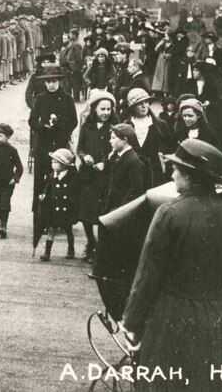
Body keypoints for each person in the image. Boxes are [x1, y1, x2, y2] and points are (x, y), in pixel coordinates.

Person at [122, 139, 222, 391]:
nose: (173, 172)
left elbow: (148, 274)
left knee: (164, 382)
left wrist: (132, 322)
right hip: (215, 317)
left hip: (171, 316)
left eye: (177, 167)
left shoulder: (169, 212)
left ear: (189, 175)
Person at [94, 124, 145, 321]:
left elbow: (135, 190)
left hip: (121, 215)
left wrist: (120, 211)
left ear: (124, 139)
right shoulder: (120, 157)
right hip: (113, 210)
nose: (110, 141)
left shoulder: (133, 162)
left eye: (114, 138)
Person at [28, 64, 77, 252]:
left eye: (54, 81)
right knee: (42, 183)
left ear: (59, 82)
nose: (51, 85)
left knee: (62, 181)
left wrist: (59, 124)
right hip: (43, 148)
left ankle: (62, 221)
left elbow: (73, 121)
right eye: (48, 81)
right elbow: (32, 120)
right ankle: (40, 219)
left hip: (60, 146)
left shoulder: (67, 99)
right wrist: (42, 126)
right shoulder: (39, 99)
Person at [76, 90, 118, 261]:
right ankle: (90, 241)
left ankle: (100, 247)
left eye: (108, 109)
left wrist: (105, 163)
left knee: (102, 212)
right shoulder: (87, 127)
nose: (106, 113)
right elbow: (80, 148)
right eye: (102, 109)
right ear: (94, 109)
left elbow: (117, 150)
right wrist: (84, 156)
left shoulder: (113, 129)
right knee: (86, 212)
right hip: (88, 176)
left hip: (106, 176)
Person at [37, 149, 80, 261]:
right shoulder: (52, 176)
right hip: (54, 208)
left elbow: (75, 193)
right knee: (51, 229)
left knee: (68, 229)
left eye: (55, 163)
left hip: (66, 208)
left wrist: (74, 208)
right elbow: (48, 187)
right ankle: (47, 252)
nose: (52, 165)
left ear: (64, 165)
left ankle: (71, 249)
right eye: (52, 162)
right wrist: (44, 195)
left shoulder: (71, 177)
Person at [124, 88, 172, 186]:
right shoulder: (127, 125)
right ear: (132, 107)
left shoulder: (160, 125)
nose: (144, 105)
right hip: (133, 173)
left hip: (155, 173)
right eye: (139, 103)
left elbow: (170, 147)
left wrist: (164, 155)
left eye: (146, 102)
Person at [61, 28, 85, 101]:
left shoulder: (77, 44)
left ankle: (76, 98)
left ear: (75, 35)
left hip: (75, 67)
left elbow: (79, 57)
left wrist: (77, 67)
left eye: (71, 34)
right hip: (72, 66)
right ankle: (75, 97)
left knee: (75, 83)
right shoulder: (74, 43)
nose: (69, 35)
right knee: (73, 82)